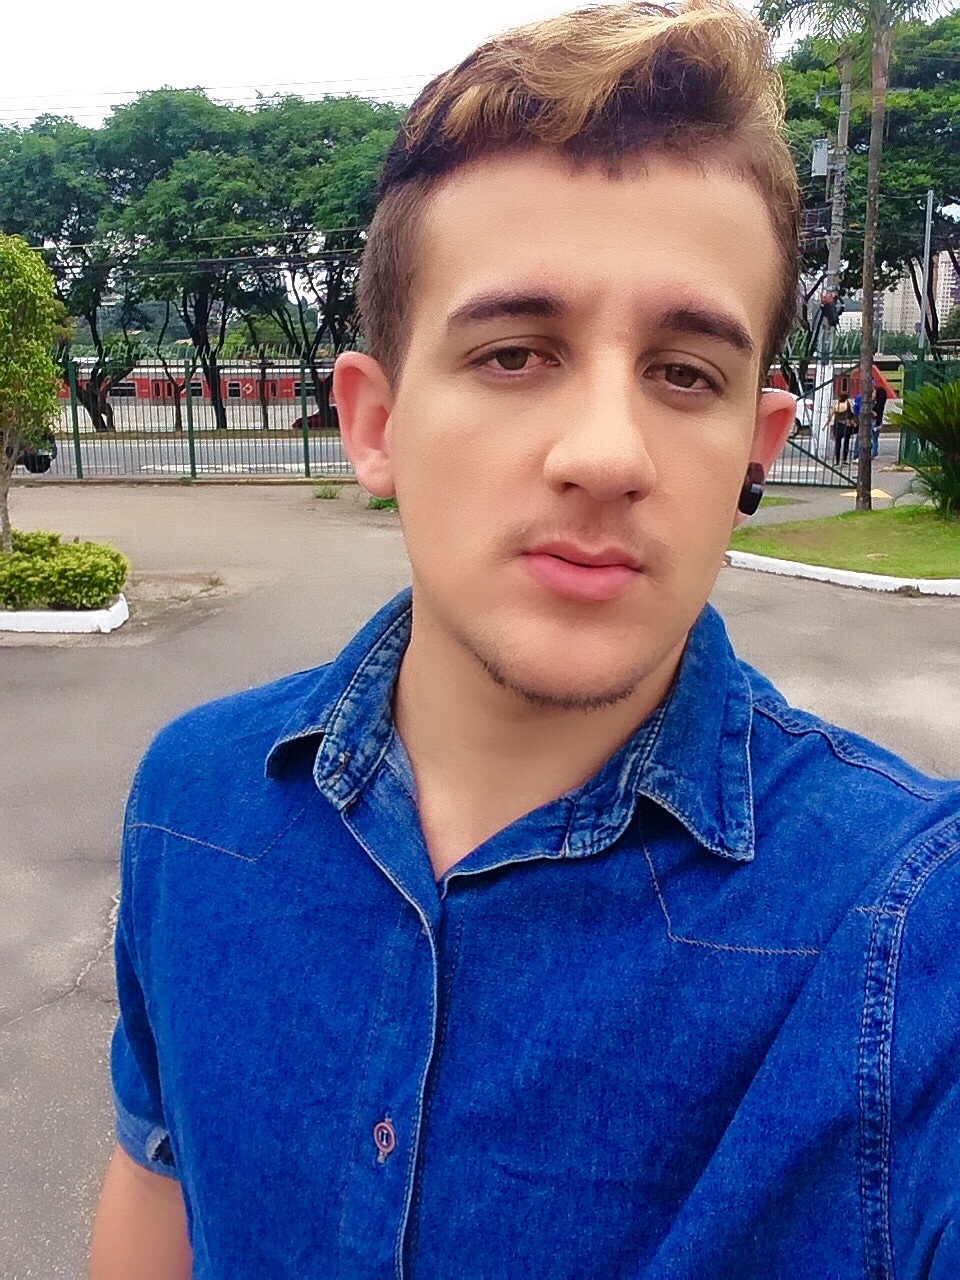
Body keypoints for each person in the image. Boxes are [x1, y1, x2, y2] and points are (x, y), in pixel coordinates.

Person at [90, 3, 960, 1276]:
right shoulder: (192, 804)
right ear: (375, 424)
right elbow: (157, 1191)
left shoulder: (914, 928)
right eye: (514, 353)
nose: (606, 453)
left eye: (685, 372)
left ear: (755, 448)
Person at [832, 389, 856, 463]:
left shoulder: (837, 406)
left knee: (838, 444)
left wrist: (833, 429)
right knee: (846, 443)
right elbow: (850, 415)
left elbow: (835, 418)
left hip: (838, 426)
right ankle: (844, 459)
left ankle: (837, 460)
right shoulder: (847, 405)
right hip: (846, 426)